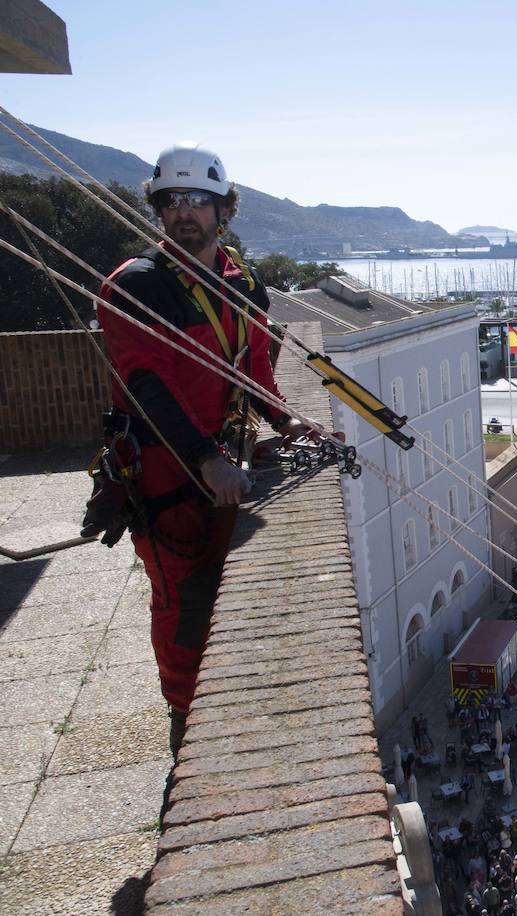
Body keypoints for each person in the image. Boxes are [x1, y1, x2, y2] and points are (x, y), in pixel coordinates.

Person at [97, 141, 317, 757]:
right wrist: (206, 457)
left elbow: (253, 362)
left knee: (222, 588)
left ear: (226, 210)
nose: (185, 212)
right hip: (166, 473)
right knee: (181, 597)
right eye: (172, 201)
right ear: (158, 209)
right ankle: (185, 725)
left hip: (214, 458)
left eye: (200, 201)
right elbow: (146, 385)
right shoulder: (136, 286)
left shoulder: (237, 278)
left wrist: (283, 417)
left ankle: (229, 706)